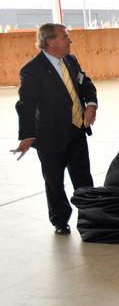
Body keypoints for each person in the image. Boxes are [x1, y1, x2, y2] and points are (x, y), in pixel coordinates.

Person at [12, 23, 97, 235]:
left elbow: (85, 83)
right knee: (54, 181)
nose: (70, 41)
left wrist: (91, 105)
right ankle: (60, 220)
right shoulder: (32, 70)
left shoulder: (70, 60)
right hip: (50, 136)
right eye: (65, 37)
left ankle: (91, 215)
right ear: (50, 41)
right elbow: (26, 105)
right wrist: (28, 135)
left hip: (77, 130)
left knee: (83, 177)